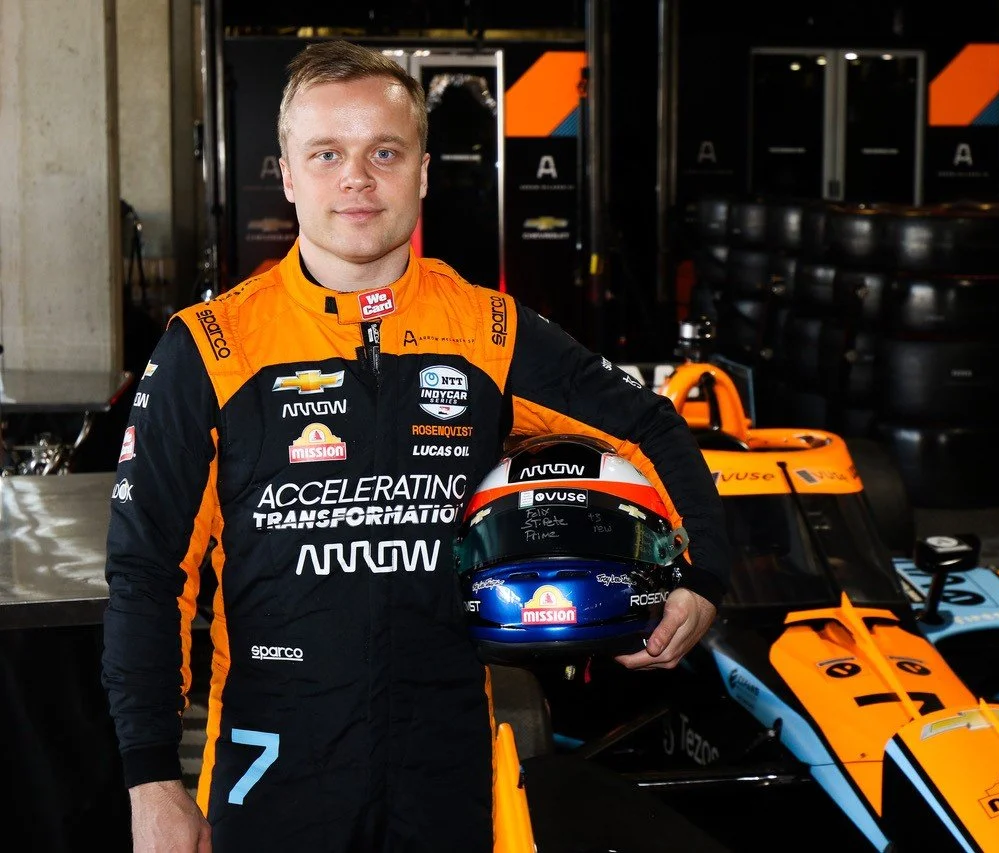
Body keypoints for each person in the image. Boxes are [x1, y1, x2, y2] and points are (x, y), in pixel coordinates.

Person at [101, 39, 731, 853]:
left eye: (384, 152)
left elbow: (652, 425)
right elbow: (147, 570)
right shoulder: (211, 346)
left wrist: (701, 576)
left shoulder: (490, 330)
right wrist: (151, 776)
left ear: (423, 173)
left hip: (447, 754)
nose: (356, 177)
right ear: (288, 175)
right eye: (326, 153)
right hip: (273, 760)